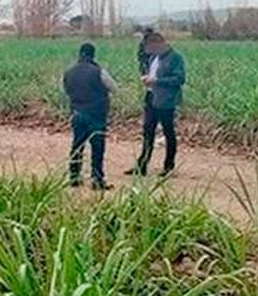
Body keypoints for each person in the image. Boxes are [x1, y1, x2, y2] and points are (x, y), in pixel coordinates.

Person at [126, 32, 186, 177]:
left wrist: (156, 81)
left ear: (158, 44)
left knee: (168, 133)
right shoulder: (154, 57)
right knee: (148, 132)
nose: (148, 51)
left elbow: (179, 79)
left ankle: (168, 167)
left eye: (150, 48)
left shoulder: (176, 58)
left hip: (167, 100)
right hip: (151, 97)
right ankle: (142, 165)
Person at [62, 43, 117, 190]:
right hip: (96, 115)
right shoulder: (99, 71)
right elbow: (113, 88)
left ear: (80, 54)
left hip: (77, 113)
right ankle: (97, 179)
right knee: (97, 147)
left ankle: (74, 177)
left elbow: (67, 90)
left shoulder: (69, 72)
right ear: (93, 55)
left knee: (77, 146)